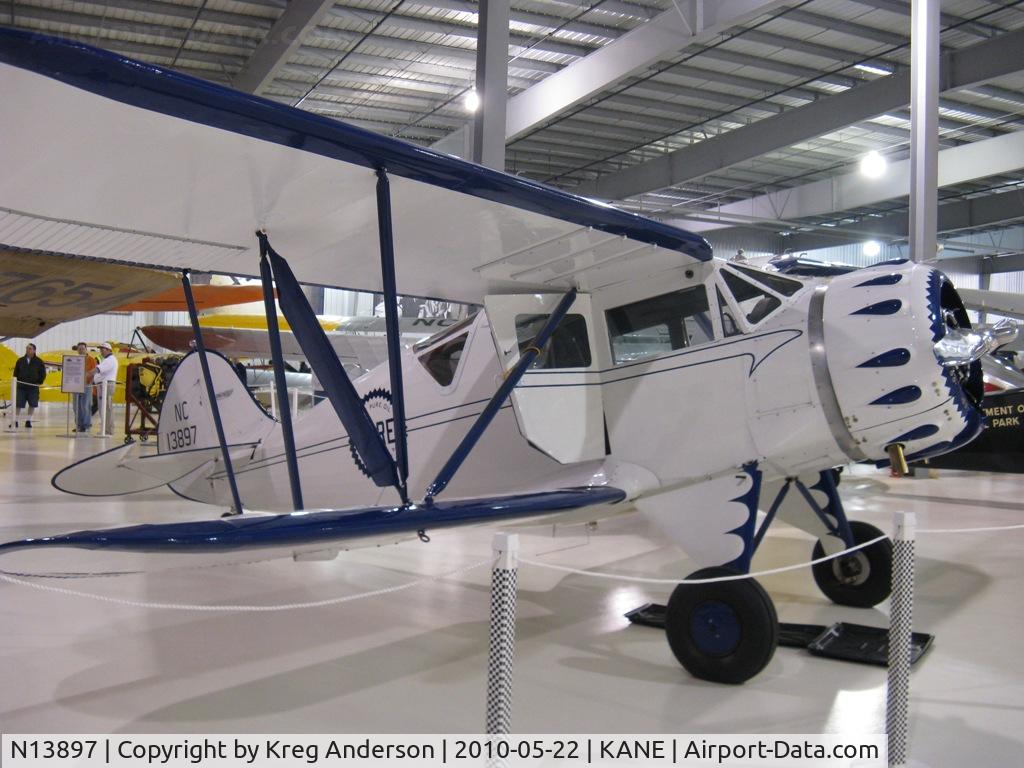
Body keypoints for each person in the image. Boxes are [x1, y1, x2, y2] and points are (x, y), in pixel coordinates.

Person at [13, 343, 47, 428]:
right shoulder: (20, 360)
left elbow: (43, 373)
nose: (28, 350)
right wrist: (16, 381)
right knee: (18, 404)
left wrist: (39, 382)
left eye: (30, 348)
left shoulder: (39, 361)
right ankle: (15, 421)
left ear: (34, 350)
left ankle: (28, 420)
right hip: (21, 386)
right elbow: (15, 373)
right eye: (27, 348)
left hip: (33, 387)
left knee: (32, 404)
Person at [94, 341, 118, 435]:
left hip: (107, 385)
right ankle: (106, 429)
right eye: (100, 349)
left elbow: (98, 370)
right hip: (103, 385)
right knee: (104, 408)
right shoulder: (107, 359)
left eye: (102, 349)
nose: (101, 351)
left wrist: (87, 374)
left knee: (107, 408)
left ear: (108, 350)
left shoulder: (110, 359)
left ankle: (108, 430)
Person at [73, 342, 97, 433]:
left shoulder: (91, 360)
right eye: (79, 349)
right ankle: (79, 425)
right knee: (76, 407)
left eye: (83, 348)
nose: (81, 350)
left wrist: (89, 382)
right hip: (75, 386)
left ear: (86, 349)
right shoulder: (75, 359)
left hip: (87, 386)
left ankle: (86, 425)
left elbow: (93, 372)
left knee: (85, 406)